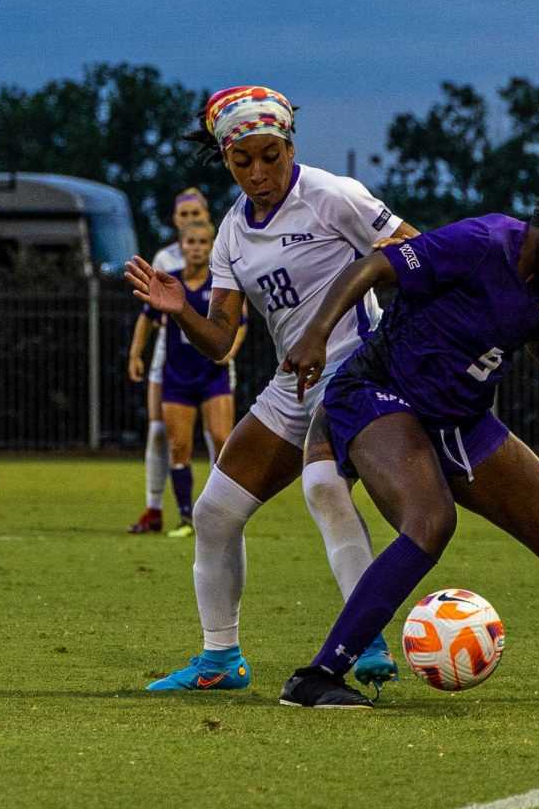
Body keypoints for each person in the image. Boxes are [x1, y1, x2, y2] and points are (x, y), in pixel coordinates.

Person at [274, 165, 539, 708]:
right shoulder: (482, 241)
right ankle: (315, 677)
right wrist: (315, 335)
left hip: (462, 421)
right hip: (379, 394)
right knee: (430, 522)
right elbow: (374, 265)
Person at [125, 86, 414, 693]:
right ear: (227, 160)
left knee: (325, 487)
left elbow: (420, 255)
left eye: (270, 156)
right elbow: (221, 341)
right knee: (213, 514)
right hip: (292, 383)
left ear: (291, 146)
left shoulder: (333, 196)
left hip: (355, 371)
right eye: (243, 162)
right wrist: (181, 309)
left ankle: (365, 640)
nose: (258, 173)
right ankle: (220, 660)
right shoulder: (231, 232)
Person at [128, 216, 239, 538]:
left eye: (203, 242)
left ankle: (224, 513)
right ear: (182, 246)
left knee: (222, 440)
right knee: (179, 446)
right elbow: (146, 317)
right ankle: (187, 518)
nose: (197, 248)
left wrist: (231, 348)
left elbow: (240, 321)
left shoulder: (221, 283)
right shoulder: (169, 281)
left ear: (212, 246)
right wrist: (136, 354)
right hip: (177, 376)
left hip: (212, 374)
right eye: (191, 242)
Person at [128, 186, 210, 533]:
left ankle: (219, 507)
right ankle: (154, 506)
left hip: (209, 356)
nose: (191, 220)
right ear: (175, 219)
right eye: (184, 215)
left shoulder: (218, 253)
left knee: (216, 434)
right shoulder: (165, 259)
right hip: (170, 356)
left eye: (196, 214)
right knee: (160, 430)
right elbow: (150, 312)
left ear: (206, 216)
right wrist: (138, 353)